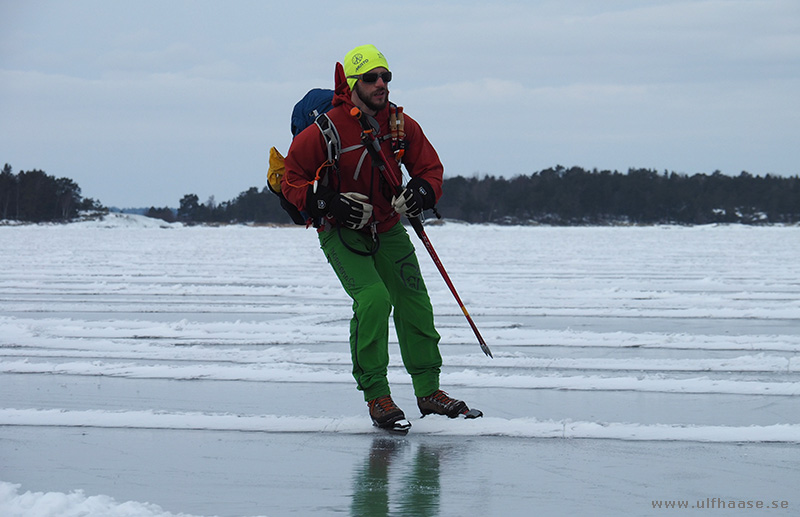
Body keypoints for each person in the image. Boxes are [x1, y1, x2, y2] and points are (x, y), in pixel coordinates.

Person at [282, 44, 476, 431]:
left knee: (414, 302)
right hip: (341, 234)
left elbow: (429, 168)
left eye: (385, 76)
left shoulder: (400, 124)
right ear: (353, 84)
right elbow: (291, 179)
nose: (381, 83)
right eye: (371, 78)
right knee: (373, 300)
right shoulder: (326, 128)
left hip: (387, 227)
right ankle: (377, 396)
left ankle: (429, 391)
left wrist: (421, 191)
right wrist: (330, 203)